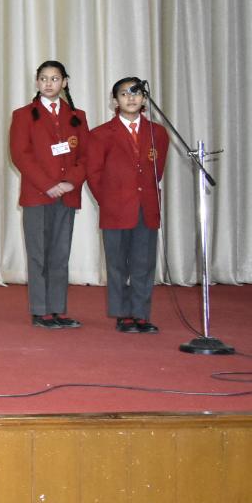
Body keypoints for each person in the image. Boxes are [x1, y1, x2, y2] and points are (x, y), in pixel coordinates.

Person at [85, 77, 171, 334]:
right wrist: (109, 201)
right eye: (124, 94)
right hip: (115, 209)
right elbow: (94, 174)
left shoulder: (158, 133)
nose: (131, 98)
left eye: (136, 93)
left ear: (144, 98)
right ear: (115, 100)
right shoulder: (100, 134)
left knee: (144, 263)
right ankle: (123, 314)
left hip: (146, 207)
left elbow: (157, 170)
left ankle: (141, 314)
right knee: (117, 264)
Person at [8, 60, 90, 329]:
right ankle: (41, 310)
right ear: (37, 82)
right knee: (38, 253)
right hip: (37, 195)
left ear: (64, 82)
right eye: (43, 78)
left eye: (55, 79)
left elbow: (86, 156)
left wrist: (70, 182)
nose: (48, 83)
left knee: (60, 253)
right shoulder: (23, 115)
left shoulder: (77, 116)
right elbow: (20, 155)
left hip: (67, 194)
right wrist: (47, 184)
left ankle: (58, 309)